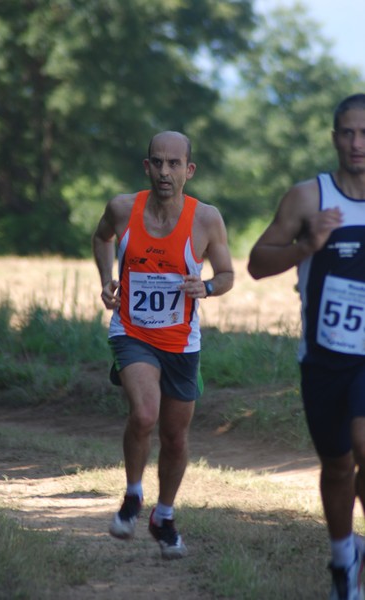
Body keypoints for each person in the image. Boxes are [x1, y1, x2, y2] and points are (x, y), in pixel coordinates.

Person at [92, 130, 234, 559]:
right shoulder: (121, 209)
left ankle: (164, 516)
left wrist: (205, 288)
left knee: (174, 436)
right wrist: (106, 282)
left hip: (181, 341)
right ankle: (134, 494)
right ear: (146, 166)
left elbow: (227, 276)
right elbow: (101, 238)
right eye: (157, 162)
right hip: (132, 332)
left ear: (189, 170)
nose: (165, 171)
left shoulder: (206, 219)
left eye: (174, 164)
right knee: (145, 413)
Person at [248, 93, 365, 600]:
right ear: (334, 136)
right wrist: (305, 248)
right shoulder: (308, 198)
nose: (357, 143)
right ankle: (344, 559)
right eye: (348, 132)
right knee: (338, 466)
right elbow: (256, 262)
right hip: (322, 360)